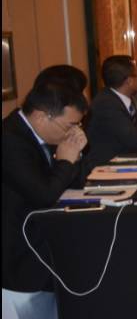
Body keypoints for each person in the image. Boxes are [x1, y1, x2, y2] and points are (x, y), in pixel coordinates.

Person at [2, 82, 89, 292]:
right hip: (17, 249)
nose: (73, 131)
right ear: (42, 116)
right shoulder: (10, 139)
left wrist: (75, 156)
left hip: (40, 234)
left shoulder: (40, 131)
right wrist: (65, 161)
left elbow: (75, 184)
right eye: (69, 125)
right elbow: (44, 195)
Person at [85, 55, 137, 169]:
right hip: (106, 167)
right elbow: (135, 141)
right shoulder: (107, 104)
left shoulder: (120, 98)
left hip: (123, 160)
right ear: (129, 81)